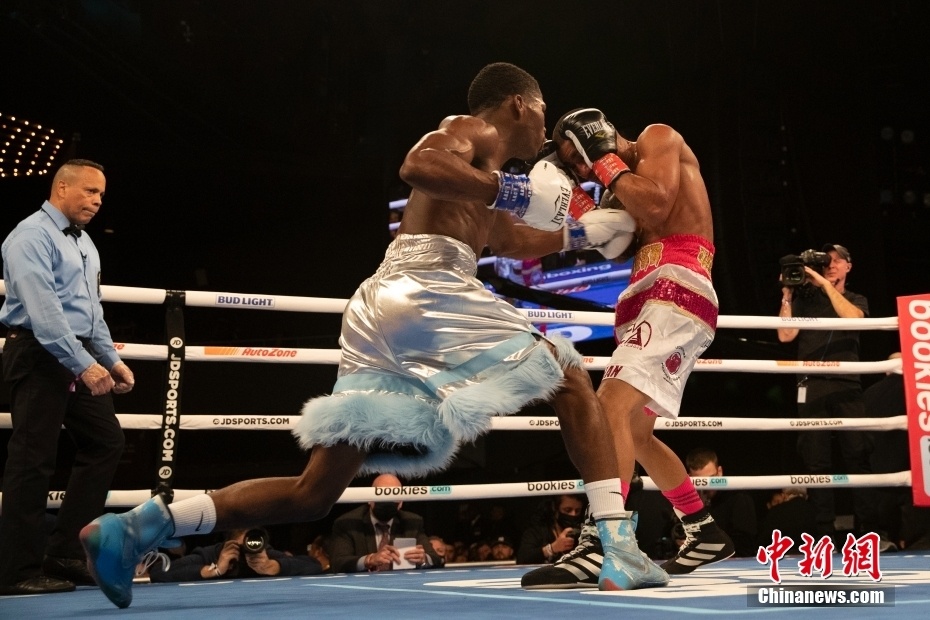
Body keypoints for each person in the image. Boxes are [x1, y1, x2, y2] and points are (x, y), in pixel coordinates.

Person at [80, 62, 664, 609]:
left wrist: (583, 234)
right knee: (569, 377)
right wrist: (510, 192)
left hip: (383, 308)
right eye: (542, 111)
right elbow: (418, 165)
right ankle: (618, 545)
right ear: (519, 104)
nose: (543, 126)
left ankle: (140, 525)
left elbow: (508, 240)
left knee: (314, 493)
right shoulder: (472, 130)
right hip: (428, 286)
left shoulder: (484, 175)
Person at [521, 108, 735, 589]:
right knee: (634, 433)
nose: (582, 168)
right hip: (645, 295)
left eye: (579, 155)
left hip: (675, 287)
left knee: (607, 408)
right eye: (572, 165)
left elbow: (656, 208)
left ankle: (604, 540)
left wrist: (604, 159)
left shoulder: (658, 137)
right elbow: (616, 246)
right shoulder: (620, 186)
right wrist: (576, 199)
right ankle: (703, 529)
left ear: (596, 134)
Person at [0, 159, 135, 597]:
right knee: (32, 458)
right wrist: (85, 364)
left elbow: (91, 311)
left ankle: (63, 552)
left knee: (106, 441)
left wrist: (111, 360)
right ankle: (15, 570)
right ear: (62, 188)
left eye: (101, 195)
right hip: (38, 353)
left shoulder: (85, 243)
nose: (97, 202)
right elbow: (44, 313)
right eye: (90, 191)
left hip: (75, 353)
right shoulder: (30, 236)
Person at [777, 243, 879, 543]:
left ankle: (867, 531)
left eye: (837, 260)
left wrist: (822, 283)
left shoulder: (856, 298)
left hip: (847, 384)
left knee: (857, 455)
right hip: (811, 384)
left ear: (849, 266)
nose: (831, 265)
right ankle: (823, 534)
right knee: (816, 461)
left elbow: (854, 319)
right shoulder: (806, 300)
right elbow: (785, 334)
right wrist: (788, 294)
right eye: (826, 261)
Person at [328, 474, 441, 572]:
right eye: (381, 497)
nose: (387, 502)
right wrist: (368, 560)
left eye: (393, 498)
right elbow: (337, 563)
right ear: (369, 499)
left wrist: (423, 559)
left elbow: (435, 559)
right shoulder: (348, 523)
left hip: (401, 583)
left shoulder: (412, 522)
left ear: (401, 502)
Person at [147, 528, 323, 582]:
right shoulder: (212, 555)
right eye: (240, 547)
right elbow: (158, 572)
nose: (247, 552)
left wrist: (274, 566)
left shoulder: (264, 555)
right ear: (228, 545)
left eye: (250, 546)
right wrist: (213, 570)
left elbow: (314, 565)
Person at [685, 448, 757, 557]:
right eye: (701, 481)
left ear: (719, 472)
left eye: (711, 479)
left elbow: (745, 547)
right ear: (690, 478)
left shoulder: (739, 499)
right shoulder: (685, 502)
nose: (707, 486)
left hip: (731, 563)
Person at [515, 494, 586, 565]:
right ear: (555, 508)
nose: (573, 514)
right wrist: (552, 548)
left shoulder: (584, 533)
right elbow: (522, 559)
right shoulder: (537, 532)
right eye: (567, 510)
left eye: (577, 511)